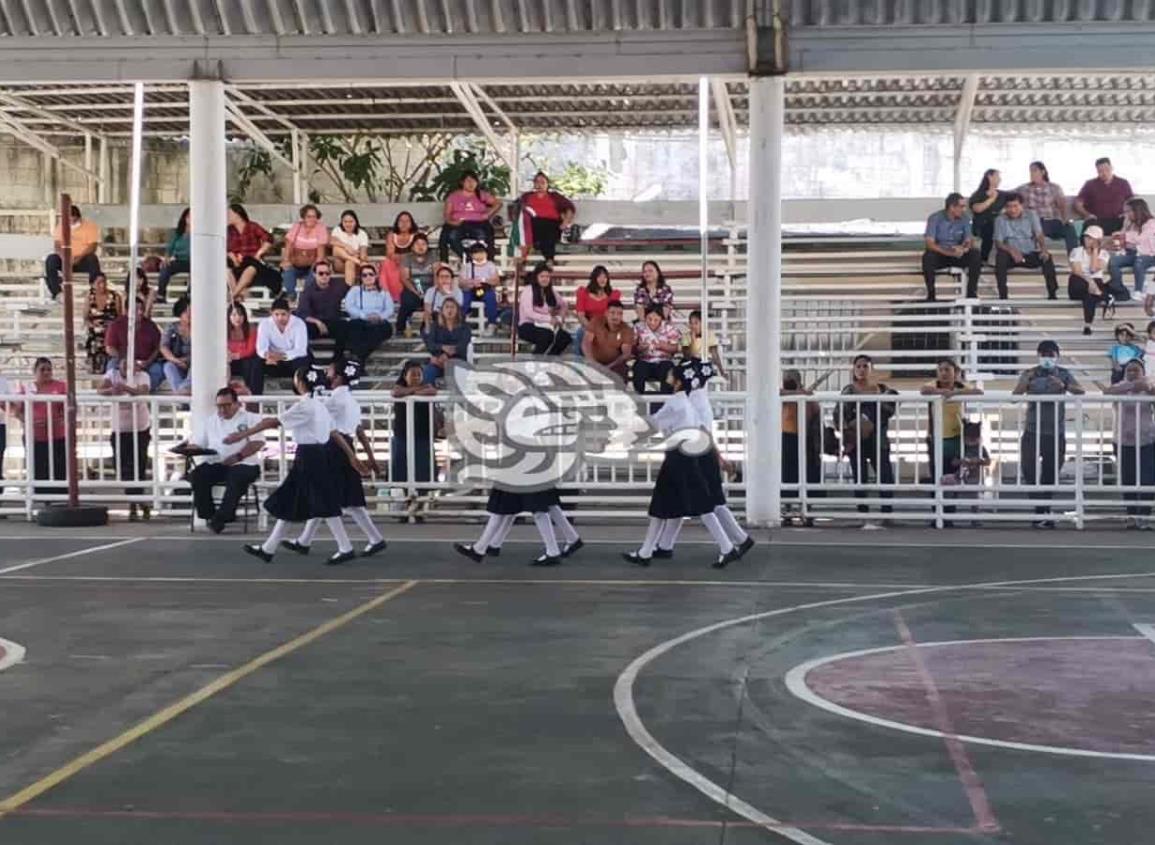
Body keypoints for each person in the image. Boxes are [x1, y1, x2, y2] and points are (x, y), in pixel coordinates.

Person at [236, 365, 364, 566]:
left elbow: (273, 422)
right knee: (291, 499)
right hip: (315, 455)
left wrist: (243, 434)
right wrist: (350, 456)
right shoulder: (319, 405)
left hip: (309, 455)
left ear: (301, 383)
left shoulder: (305, 406)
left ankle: (345, 547)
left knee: (325, 503)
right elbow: (334, 433)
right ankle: (268, 548)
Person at [622, 361, 742, 569]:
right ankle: (646, 551)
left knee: (701, 505)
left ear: (677, 382)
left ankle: (727, 547)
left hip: (680, 457)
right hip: (682, 455)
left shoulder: (675, 404)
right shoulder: (684, 402)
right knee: (663, 505)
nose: (667, 376)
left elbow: (652, 424)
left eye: (671, 375)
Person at [282, 359, 388, 558]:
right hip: (346, 446)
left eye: (330, 371)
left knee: (329, 497)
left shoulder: (333, 401)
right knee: (335, 497)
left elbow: (329, 428)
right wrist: (369, 456)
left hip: (335, 448)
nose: (327, 374)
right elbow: (359, 430)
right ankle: (305, 540)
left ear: (338, 377)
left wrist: (356, 456)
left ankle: (369, 539)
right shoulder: (352, 401)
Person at [651, 360, 754, 561]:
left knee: (709, 501)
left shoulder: (692, 400)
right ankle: (665, 544)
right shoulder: (696, 397)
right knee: (686, 499)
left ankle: (737, 540)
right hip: (700, 450)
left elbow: (702, 430)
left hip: (699, 452)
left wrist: (719, 456)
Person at [1012, 339, 1085, 527]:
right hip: (1032, 430)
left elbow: (1081, 392)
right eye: (1043, 355)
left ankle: (1044, 511)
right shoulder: (1029, 373)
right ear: (1038, 356)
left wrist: (1063, 385)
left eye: (1051, 355)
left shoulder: (1064, 374)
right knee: (1028, 470)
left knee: (1050, 473)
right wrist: (1025, 384)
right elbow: (1014, 398)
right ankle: (1040, 508)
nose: (1047, 358)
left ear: (1057, 357)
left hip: (1055, 432)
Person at [183, 386, 264, 533]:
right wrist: (188, 448)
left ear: (236, 404)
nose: (223, 410)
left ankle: (223, 517)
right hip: (218, 462)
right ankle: (209, 515)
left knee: (237, 477)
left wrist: (238, 457)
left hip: (245, 463)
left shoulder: (250, 418)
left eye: (226, 405)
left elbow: (257, 443)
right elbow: (199, 443)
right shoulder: (210, 421)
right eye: (219, 406)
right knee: (198, 475)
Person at [839, 354, 898, 528]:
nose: (862, 370)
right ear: (854, 369)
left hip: (878, 439)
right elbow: (840, 414)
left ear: (871, 369)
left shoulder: (883, 389)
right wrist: (849, 430)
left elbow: (891, 407)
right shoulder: (848, 390)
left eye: (865, 366)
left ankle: (887, 513)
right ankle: (863, 514)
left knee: (885, 475)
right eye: (858, 366)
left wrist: (870, 419)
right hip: (856, 440)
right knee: (860, 476)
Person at [1105, 358, 1155, 528]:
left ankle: (1145, 516)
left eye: (1136, 370)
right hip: (1123, 441)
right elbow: (1108, 392)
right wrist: (1132, 386)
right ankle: (1132, 514)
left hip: (1147, 440)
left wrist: (1147, 386)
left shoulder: (1148, 387)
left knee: (1148, 479)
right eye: (1130, 370)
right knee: (1128, 479)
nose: (1133, 373)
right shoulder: (1119, 387)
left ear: (1143, 372)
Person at [99, 359, 152, 520]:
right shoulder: (112, 374)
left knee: (139, 465)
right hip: (120, 428)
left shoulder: (143, 376)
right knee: (122, 467)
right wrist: (112, 390)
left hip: (140, 427)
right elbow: (100, 390)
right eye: (122, 365)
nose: (125, 369)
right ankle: (137, 502)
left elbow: (144, 392)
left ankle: (135, 503)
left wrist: (126, 388)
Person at [919, 359, 982, 480]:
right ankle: (936, 498)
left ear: (955, 372)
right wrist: (943, 392)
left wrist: (955, 393)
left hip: (958, 436)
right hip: (936, 437)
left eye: (947, 370)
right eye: (940, 370)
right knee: (937, 472)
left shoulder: (960, 386)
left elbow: (978, 392)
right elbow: (924, 390)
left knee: (955, 474)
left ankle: (954, 498)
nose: (943, 373)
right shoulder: (934, 384)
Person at [15, 357, 68, 497]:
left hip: (57, 435)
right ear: (35, 371)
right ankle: (39, 496)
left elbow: (67, 409)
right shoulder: (26, 388)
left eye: (49, 369)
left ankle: (60, 496)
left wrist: (61, 421)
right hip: (35, 435)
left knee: (58, 465)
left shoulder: (61, 386)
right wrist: (29, 422)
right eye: (42, 369)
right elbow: (17, 411)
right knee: (38, 466)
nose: (46, 372)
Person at [994, 192, 1058, 300]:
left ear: (1021, 205)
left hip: (1028, 253)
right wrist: (1012, 251)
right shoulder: (1000, 219)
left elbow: (1039, 234)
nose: (1012, 210)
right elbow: (998, 242)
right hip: (1011, 256)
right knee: (1000, 257)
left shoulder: (1031, 215)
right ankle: (1003, 295)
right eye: (1009, 207)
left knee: (1047, 258)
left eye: (1015, 206)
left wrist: (1043, 249)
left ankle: (1052, 294)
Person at [921, 192, 982, 301]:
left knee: (975, 254)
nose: (964, 209)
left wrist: (964, 248)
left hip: (958, 253)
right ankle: (931, 295)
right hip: (941, 254)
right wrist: (949, 253)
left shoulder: (965, 219)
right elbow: (930, 244)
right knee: (928, 257)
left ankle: (971, 293)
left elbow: (968, 240)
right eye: (961, 206)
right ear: (952, 207)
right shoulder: (935, 218)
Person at [781, 369, 823, 525]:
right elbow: (776, 393)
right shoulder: (783, 394)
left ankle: (807, 511)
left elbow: (816, 413)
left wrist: (805, 396)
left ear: (798, 380)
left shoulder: (808, 396)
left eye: (790, 378)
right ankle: (787, 511)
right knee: (787, 475)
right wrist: (798, 394)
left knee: (807, 474)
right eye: (786, 379)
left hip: (806, 439)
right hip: (786, 438)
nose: (787, 381)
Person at [390, 361, 437, 494]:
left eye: (419, 374)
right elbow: (396, 393)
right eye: (413, 374)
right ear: (405, 376)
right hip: (402, 436)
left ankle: (421, 505)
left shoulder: (427, 385)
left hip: (423, 437)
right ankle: (402, 506)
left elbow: (432, 392)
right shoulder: (399, 387)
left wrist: (410, 392)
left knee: (423, 472)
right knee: (400, 472)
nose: (416, 377)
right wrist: (415, 391)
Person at [438, 171, 502, 262]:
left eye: (473, 181)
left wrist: (487, 215)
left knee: (484, 237)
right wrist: (453, 222)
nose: (471, 184)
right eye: (468, 181)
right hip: (460, 224)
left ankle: (485, 261)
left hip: (478, 223)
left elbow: (498, 203)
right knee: (451, 237)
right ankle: (466, 257)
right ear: (462, 182)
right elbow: (447, 215)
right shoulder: (453, 196)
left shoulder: (481, 194)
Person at [104, 296, 165, 391]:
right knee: (111, 366)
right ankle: (117, 391)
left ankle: (142, 391)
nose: (140, 312)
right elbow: (110, 348)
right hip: (122, 361)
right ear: (127, 311)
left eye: (141, 309)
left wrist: (148, 361)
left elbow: (157, 348)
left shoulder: (151, 326)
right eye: (136, 309)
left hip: (145, 362)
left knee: (157, 370)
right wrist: (126, 360)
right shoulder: (116, 325)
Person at [1016, 161, 1077, 253]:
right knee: (1032, 225)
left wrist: (1065, 220)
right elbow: (1008, 196)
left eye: (1035, 171)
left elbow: (1062, 206)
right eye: (1031, 171)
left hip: (1051, 221)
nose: (1032, 174)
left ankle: (1075, 259)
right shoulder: (1024, 188)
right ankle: (1032, 258)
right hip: (1032, 222)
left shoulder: (1054, 187)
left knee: (1069, 229)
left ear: (1043, 172)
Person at [45, 204, 101, 300]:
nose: (71, 223)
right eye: (69, 220)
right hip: (65, 261)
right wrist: (64, 257)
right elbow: (57, 245)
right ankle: (57, 292)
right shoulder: (61, 226)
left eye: (73, 220)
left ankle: (94, 290)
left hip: (82, 260)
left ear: (78, 218)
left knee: (92, 259)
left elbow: (93, 246)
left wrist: (79, 258)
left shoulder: (90, 226)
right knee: (51, 260)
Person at [295, 259, 349, 357]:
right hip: (315, 324)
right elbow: (301, 313)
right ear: (314, 274)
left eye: (327, 273)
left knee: (345, 327)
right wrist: (317, 322)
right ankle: (308, 362)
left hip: (332, 322)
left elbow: (353, 291)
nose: (324, 276)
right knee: (301, 329)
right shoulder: (308, 290)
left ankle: (336, 363)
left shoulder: (339, 285)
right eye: (321, 273)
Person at [518, 171, 576, 262]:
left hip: (552, 225)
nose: (540, 185)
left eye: (542, 182)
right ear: (534, 184)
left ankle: (547, 258)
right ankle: (548, 259)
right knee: (536, 226)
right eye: (537, 182)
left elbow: (570, 208)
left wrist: (565, 223)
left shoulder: (554, 196)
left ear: (547, 184)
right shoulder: (527, 196)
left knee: (548, 232)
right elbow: (516, 208)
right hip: (533, 225)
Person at [342, 264, 395, 364]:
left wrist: (379, 316)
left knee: (381, 330)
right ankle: (359, 358)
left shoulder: (383, 292)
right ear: (361, 278)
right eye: (364, 275)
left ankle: (356, 356)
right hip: (360, 321)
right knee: (355, 327)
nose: (368, 277)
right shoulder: (355, 290)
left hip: (378, 322)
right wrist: (365, 316)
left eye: (370, 274)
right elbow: (349, 306)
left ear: (375, 276)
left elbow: (389, 309)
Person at [255, 298, 310, 392]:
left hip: (292, 360)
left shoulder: (299, 323)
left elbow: (301, 350)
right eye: (276, 314)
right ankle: (255, 396)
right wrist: (267, 355)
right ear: (271, 313)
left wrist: (282, 356)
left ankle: (301, 395)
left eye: (283, 314)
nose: (280, 318)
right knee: (255, 363)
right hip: (273, 361)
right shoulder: (264, 324)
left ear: (289, 313)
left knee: (302, 362)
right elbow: (261, 348)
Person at [227, 203, 281, 300]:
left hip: (252, 260)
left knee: (251, 267)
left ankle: (233, 295)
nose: (227, 217)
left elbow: (268, 239)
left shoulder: (252, 226)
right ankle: (237, 296)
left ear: (237, 214)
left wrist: (259, 253)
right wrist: (233, 258)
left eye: (229, 214)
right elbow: (227, 248)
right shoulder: (229, 231)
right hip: (237, 262)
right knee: (226, 269)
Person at [517, 262, 571, 355]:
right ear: (536, 277)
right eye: (542, 276)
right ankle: (536, 361)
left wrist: (559, 318)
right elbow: (529, 313)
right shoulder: (528, 290)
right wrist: (549, 319)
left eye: (547, 277)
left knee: (565, 337)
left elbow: (564, 304)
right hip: (528, 325)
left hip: (546, 325)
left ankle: (550, 359)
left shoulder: (551, 291)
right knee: (546, 335)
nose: (545, 279)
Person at [1107, 197, 1155, 297]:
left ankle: (1139, 290)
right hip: (1133, 253)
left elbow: (1140, 239)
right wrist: (1118, 238)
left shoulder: (1151, 223)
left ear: (1137, 210)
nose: (1126, 215)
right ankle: (1117, 287)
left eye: (1128, 211)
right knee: (1113, 261)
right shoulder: (1129, 223)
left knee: (1139, 262)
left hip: (1149, 255)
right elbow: (1124, 237)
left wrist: (1124, 236)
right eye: (1125, 212)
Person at [1068, 225, 1111, 335]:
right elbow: (1076, 270)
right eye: (1086, 237)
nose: (1087, 240)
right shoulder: (1076, 251)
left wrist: (1095, 250)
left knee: (1089, 295)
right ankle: (1104, 296)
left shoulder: (1104, 254)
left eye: (1091, 238)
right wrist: (1089, 281)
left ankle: (1087, 325)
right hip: (1079, 281)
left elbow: (1093, 269)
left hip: (1095, 283)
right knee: (1084, 285)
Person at [1075, 157, 1134, 236]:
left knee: (1129, 224)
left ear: (1112, 168)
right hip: (1097, 220)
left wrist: (1127, 213)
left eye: (1107, 169)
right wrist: (1087, 214)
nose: (1104, 173)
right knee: (1089, 225)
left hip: (1119, 219)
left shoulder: (1123, 183)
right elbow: (1078, 203)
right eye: (1100, 171)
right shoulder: (1090, 184)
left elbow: (1132, 201)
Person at [280, 204, 328, 298]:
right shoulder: (297, 226)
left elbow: (321, 252)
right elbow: (289, 244)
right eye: (309, 216)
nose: (312, 219)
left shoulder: (320, 228)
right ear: (303, 217)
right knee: (287, 273)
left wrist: (316, 266)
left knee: (314, 275)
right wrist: (286, 260)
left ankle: (306, 298)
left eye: (314, 216)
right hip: (296, 263)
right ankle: (291, 296)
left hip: (312, 263)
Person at [422, 298, 472, 385]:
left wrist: (447, 356)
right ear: (442, 310)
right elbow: (430, 344)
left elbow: (463, 345)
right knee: (428, 373)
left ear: (457, 310)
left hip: (458, 360)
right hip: (439, 360)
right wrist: (442, 348)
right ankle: (427, 396)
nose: (449, 310)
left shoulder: (464, 327)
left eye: (452, 307)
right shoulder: (435, 326)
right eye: (447, 307)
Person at [632, 306, 680, 395]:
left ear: (661, 319)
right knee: (638, 368)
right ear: (645, 317)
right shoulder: (638, 327)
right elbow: (633, 348)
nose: (652, 322)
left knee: (668, 369)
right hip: (644, 360)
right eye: (649, 319)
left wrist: (662, 346)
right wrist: (640, 348)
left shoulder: (669, 328)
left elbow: (675, 348)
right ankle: (639, 400)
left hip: (663, 360)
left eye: (656, 319)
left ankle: (665, 399)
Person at [581, 301, 634, 378]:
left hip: (615, 364)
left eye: (619, 314)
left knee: (622, 370)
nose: (615, 316)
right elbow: (586, 343)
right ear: (606, 313)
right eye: (612, 313)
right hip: (594, 361)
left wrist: (608, 367)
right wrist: (592, 361)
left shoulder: (626, 329)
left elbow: (626, 354)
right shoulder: (596, 321)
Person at [969, 169, 1011, 264]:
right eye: (997, 176)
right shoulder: (978, 194)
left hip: (999, 224)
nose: (1000, 179)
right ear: (989, 177)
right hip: (982, 225)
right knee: (990, 227)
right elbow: (977, 209)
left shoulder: (1002, 195)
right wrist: (992, 199)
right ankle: (983, 259)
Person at [574, 266, 619, 355]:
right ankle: (580, 362)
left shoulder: (613, 295)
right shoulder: (583, 293)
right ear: (594, 278)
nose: (603, 280)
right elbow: (581, 315)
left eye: (605, 277)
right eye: (600, 277)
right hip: (589, 324)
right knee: (581, 332)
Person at [459, 241, 504, 330]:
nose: (479, 255)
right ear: (471, 255)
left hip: (485, 290)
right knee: (464, 298)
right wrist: (472, 283)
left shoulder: (490, 265)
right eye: (476, 253)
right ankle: (460, 322)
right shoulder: (467, 266)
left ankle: (492, 323)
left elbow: (496, 281)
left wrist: (484, 280)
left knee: (491, 297)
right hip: (471, 290)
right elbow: (461, 283)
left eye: (481, 252)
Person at [397, 233, 436, 334]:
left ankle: (427, 329)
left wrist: (432, 292)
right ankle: (400, 328)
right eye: (417, 244)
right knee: (407, 301)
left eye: (423, 244)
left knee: (436, 301)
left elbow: (437, 276)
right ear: (413, 246)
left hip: (430, 289)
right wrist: (416, 292)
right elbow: (405, 278)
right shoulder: (407, 258)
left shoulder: (433, 257)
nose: (420, 247)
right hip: (412, 289)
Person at [85, 273, 123, 375]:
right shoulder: (90, 296)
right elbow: (86, 318)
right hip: (96, 331)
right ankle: (96, 367)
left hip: (111, 330)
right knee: (94, 339)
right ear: (92, 284)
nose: (102, 285)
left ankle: (110, 368)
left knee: (109, 338)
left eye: (104, 282)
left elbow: (120, 317)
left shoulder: (115, 296)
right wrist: (91, 325)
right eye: (99, 283)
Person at [227, 302, 263, 395]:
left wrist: (237, 355)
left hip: (244, 361)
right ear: (228, 316)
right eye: (234, 315)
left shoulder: (251, 329)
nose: (237, 318)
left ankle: (254, 393)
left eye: (240, 315)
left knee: (254, 362)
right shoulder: (223, 330)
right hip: (229, 361)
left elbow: (250, 350)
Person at [157, 207, 190, 303]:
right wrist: (167, 258)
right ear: (184, 218)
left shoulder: (198, 232)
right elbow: (170, 248)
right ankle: (161, 295)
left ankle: (189, 296)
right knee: (165, 268)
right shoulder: (178, 232)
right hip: (179, 260)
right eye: (188, 216)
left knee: (197, 270)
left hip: (193, 262)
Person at [329, 209, 370, 286]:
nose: (348, 224)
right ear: (342, 222)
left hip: (356, 263)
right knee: (336, 248)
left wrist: (355, 256)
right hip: (339, 263)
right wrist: (347, 247)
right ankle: (352, 259)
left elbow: (363, 254)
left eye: (351, 221)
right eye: (345, 222)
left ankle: (348, 290)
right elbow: (332, 242)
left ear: (356, 222)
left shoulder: (362, 233)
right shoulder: (337, 230)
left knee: (349, 263)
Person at [683, 309, 726, 379]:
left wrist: (722, 371)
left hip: (705, 362)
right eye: (691, 323)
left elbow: (715, 354)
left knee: (703, 370)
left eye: (696, 323)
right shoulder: (686, 336)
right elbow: (687, 356)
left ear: (702, 323)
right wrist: (693, 340)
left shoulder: (709, 335)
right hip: (691, 362)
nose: (693, 326)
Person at [160, 307, 193, 394]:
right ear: (180, 313)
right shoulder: (172, 327)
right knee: (168, 367)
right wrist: (176, 361)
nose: (189, 314)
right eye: (186, 311)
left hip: (193, 362)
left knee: (196, 366)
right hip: (177, 362)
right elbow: (163, 347)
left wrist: (185, 360)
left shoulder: (200, 328)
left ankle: (182, 391)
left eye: (191, 310)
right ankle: (182, 395)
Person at [423, 265, 464, 330]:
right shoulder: (430, 291)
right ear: (437, 279)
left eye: (447, 277)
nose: (444, 279)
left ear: (452, 279)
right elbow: (427, 310)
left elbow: (457, 309)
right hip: (435, 318)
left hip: (451, 319)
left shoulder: (457, 292)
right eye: (441, 277)